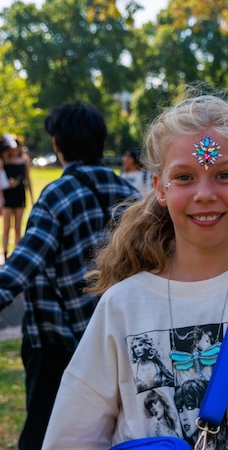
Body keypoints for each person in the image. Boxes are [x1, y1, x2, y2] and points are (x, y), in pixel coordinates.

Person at [42, 92, 228, 449]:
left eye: (223, 174)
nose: (204, 193)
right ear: (159, 188)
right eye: (184, 177)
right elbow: (70, 438)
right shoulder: (122, 308)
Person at [0, 102, 140, 450]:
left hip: (55, 341)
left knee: (44, 433)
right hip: (117, 339)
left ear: (58, 145)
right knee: (103, 432)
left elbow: (21, 267)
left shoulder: (58, 195)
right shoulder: (133, 197)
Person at [2, 137, 32, 260]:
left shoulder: (24, 160)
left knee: (18, 228)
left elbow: (28, 179)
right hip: (7, 196)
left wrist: (32, 196)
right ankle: (5, 253)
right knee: (6, 227)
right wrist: (8, 184)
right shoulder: (4, 160)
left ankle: (16, 255)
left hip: (20, 195)